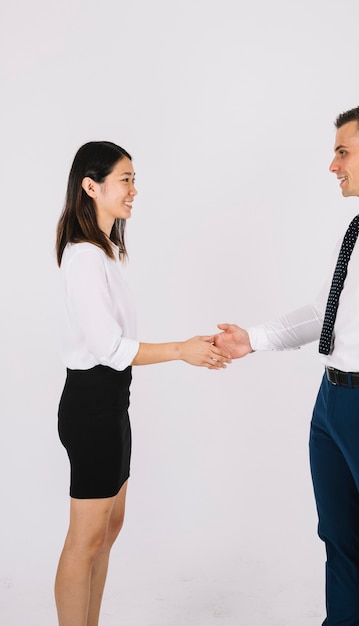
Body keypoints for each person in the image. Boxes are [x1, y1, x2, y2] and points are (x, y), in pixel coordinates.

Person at [214, 101, 359, 625]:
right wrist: (252, 340)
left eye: (342, 152)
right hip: (331, 405)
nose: (333, 165)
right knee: (339, 539)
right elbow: (330, 315)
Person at [54, 141, 231, 626]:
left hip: (112, 404)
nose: (134, 190)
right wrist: (181, 350)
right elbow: (109, 348)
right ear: (91, 186)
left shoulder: (105, 253)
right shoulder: (84, 258)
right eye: (125, 179)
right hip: (91, 405)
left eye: (134, 179)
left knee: (108, 529)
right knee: (84, 539)